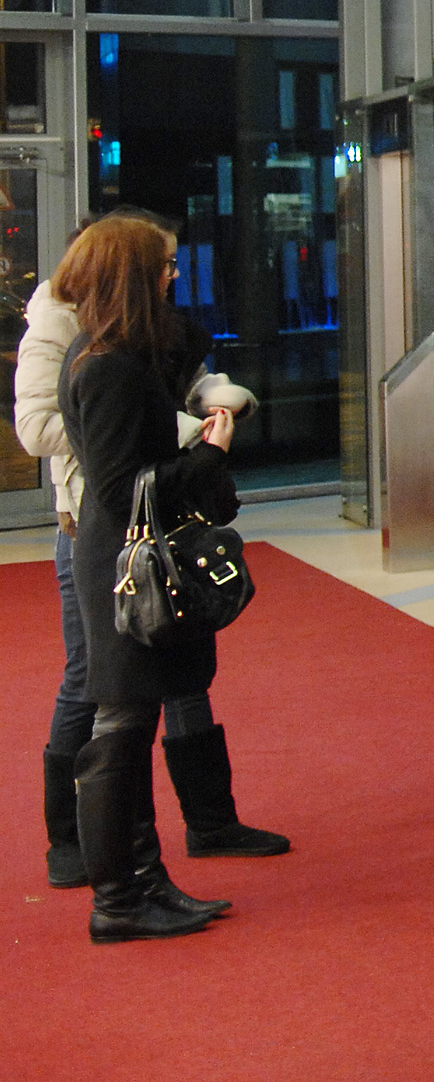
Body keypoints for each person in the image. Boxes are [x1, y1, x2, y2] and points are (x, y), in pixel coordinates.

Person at [18, 212, 280, 890]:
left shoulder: (137, 340)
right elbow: (69, 446)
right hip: (112, 538)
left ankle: (189, 837)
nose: (175, 273)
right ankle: (97, 863)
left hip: (151, 531)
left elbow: (182, 384)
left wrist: (211, 407)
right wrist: (197, 442)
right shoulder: (88, 349)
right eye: (163, 263)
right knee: (108, 700)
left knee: (166, 687)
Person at [55, 215, 244, 942]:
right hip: (124, 565)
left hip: (124, 559)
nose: (174, 274)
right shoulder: (106, 365)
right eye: (162, 266)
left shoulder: (114, 352)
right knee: (121, 728)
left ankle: (142, 881)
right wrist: (207, 454)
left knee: (129, 723)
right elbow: (118, 489)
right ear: (133, 275)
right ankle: (118, 898)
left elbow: (184, 346)